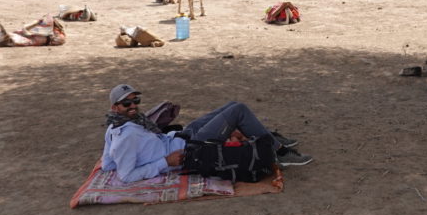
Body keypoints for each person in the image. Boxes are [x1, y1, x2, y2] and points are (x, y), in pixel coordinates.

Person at [102, 84, 312, 183]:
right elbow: (126, 176)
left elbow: (107, 164)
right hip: (191, 150)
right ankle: (280, 152)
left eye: (136, 101)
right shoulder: (125, 137)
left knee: (231, 105)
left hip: (180, 137)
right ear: (115, 108)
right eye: (126, 103)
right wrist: (165, 162)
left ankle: (272, 139)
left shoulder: (114, 127)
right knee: (238, 111)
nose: (133, 106)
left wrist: (120, 157)